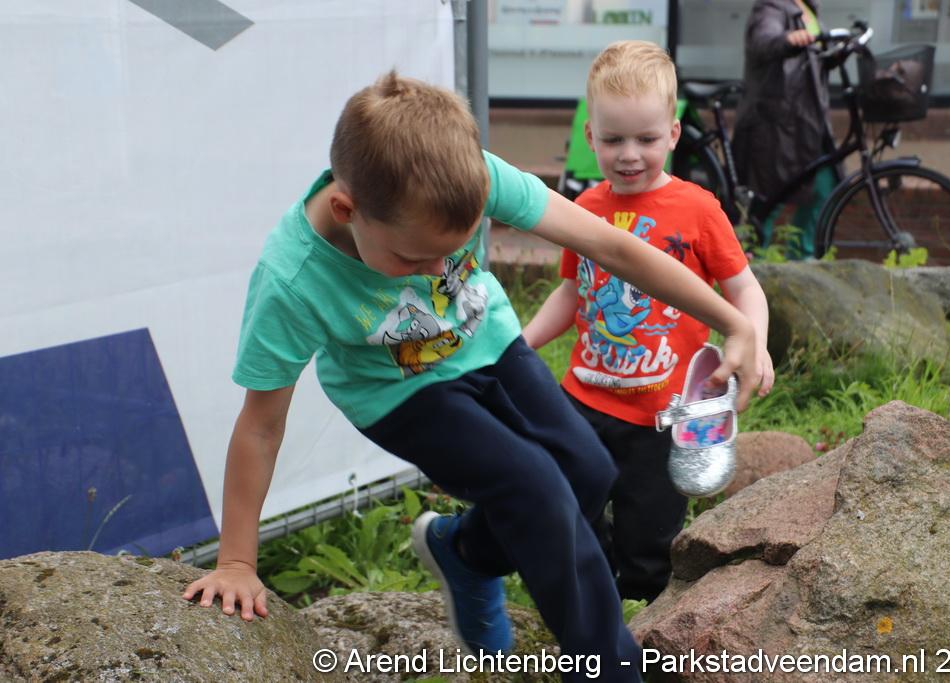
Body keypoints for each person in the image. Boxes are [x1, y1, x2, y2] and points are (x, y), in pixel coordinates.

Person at [180, 71, 760, 681]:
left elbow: (610, 247)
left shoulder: (466, 171)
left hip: (488, 339)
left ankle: (464, 553)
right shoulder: (293, 280)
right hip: (396, 390)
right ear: (347, 211)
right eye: (414, 258)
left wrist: (732, 320)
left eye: (452, 251)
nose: (437, 273)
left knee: (588, 470)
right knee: (537, 488)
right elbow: (261, 425)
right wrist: (237, 561)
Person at [522, 41, 774, 603]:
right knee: (569, 512)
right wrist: (521, 343)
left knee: (650, 543)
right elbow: (572, 292)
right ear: (590, 136)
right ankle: (591, 601)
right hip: (582, 400)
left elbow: (743, 288)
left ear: (674, 133)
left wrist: (753, 340)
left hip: (663, 415)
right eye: (613, 140)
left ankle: (646, 623)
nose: (629, 155)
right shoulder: (584, 210)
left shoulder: (698, 210)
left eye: (646, 139)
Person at [732, 0, 839, 260]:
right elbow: (763, 40)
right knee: (771, 197)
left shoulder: (808, 7)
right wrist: (787, 39)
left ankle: (801, 255)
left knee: (826, 185)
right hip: (778, 122)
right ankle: (756, 262)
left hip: (809, 121)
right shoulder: (770, 7)